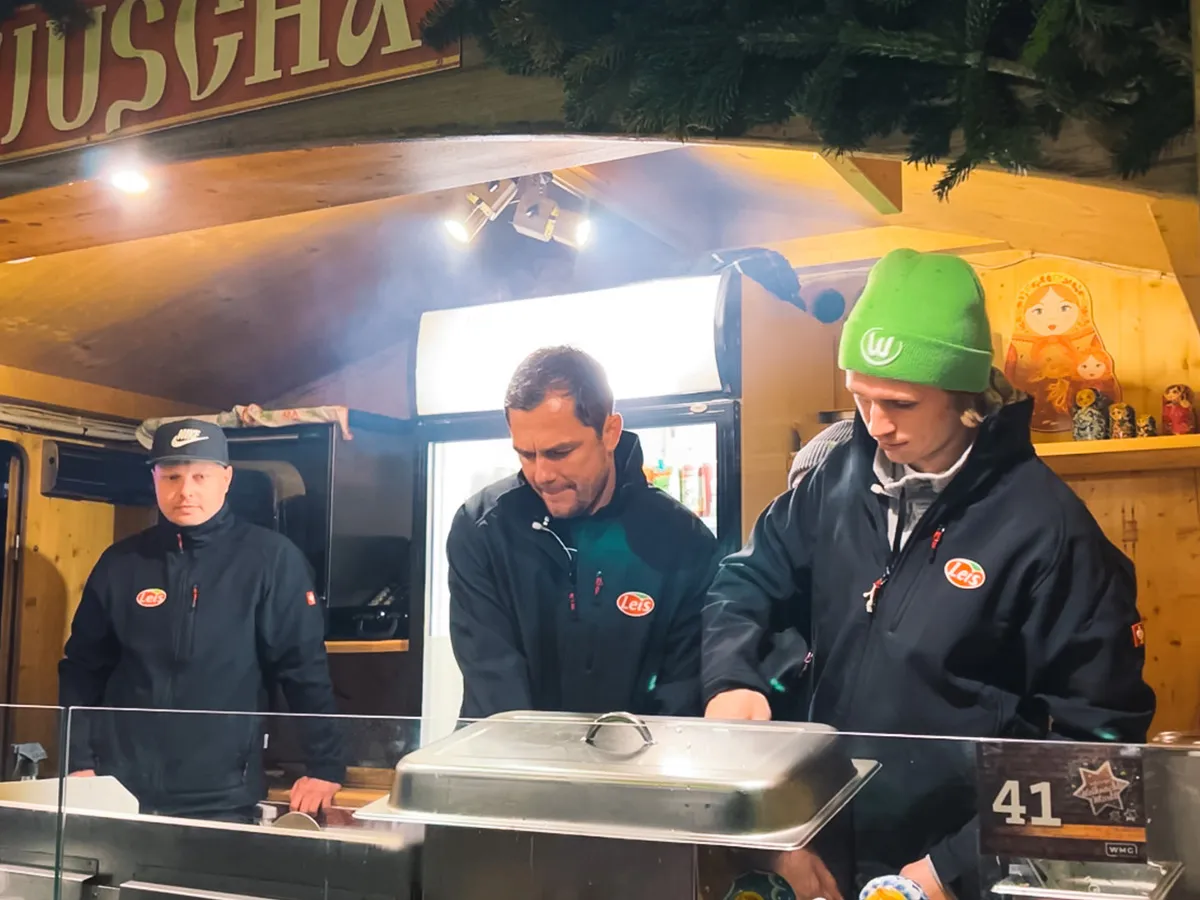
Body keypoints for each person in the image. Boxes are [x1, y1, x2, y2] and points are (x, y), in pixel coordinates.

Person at [702, 249, 1156, 900]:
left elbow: (1099, 746)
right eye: (860, 397)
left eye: (901, 403)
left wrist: (955, 868)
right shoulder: (832, 481)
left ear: (965, 396)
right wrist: (732, 679)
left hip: (953, 874)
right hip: (816, 852)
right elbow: (745, 583)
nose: (876, 424)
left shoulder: (1050, 532)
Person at [59, 419, 345, 822]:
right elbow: (82, 669)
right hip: (118, 790)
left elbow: (304, 670)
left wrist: (325, 767)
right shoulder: (120, 563)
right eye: (172, 476)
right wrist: (77, 760)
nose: (185, 490)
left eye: (200, 476)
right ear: (155, 479)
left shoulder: (272, 560)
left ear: (225, 479)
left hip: (223, 795)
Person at [446, 346, 720, 718]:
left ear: (609, 431)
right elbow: (493, 691)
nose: (542, 474)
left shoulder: (684, 543)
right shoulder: (482, 528)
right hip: (507, 765)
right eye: (526, 454)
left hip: (637, 768)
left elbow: (679, 700)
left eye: (560, 453)